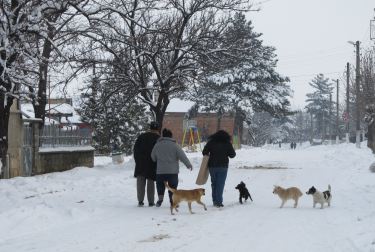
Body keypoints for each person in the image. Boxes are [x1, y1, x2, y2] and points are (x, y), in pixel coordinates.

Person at [151, 128, 193, 207]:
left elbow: (153, 157)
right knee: (172, 186)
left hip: (160, 171)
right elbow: (182, 156)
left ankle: (160, 200)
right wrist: (188, 165)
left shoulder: (157, 145)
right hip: (172, 171)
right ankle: (172, 200)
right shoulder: (175, 145)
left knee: (160, 185)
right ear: (171, 136)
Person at [202, 130, 236, 208]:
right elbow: (232, 155)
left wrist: (211, 153)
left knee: (214, 183)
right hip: (223, 166)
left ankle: (214, 200)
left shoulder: (211, 142)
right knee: (220, 184)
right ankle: (219, 202)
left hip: (212, 166)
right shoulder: (227, 143)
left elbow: (204, 152)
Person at [133, 121, 160, 207]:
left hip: (141, 163)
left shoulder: (141, 137)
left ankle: (140, 201)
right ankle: (151, 202)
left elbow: (135, 150)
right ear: (157, 129)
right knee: (151, 182)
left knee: (140, 182)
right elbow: (159, 152)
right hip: (152, 163)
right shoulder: (158, 139)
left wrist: (137, 161)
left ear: (150, 128)